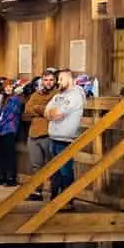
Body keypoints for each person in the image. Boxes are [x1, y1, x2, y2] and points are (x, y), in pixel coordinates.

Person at [44, 68, 86, 207]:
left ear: (69, 78)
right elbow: (47, 111)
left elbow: (57, 114)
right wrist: (52, 113)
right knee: (55, 170)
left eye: (61, 79)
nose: (58, 82)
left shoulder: (75, 95)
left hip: (66, 138)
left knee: (65, 170)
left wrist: (53, 113)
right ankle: (55, 197)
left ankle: (67, 199)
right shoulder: (58, 95)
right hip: (54, 136)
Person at [21, 67, 59, 199]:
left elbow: (54, 111)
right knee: (36, 165)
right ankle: (37, 192)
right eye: (45, 80)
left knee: (52, 166)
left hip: (49, 134)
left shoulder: (57, 94)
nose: (48, 82)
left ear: (55, 81)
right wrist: (42, 110)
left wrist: (37, 109)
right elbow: (27, 110)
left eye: (51, 80)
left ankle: (55, 193)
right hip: (33, 134)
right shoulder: (36, 94)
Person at [0, 77, 25, 186]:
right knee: (1, 154)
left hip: (9, 129)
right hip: (0, 130)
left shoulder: (15, 99)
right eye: (6, 87)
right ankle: (3, 176)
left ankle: (11, 178)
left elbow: (10, 115)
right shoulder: (3, 99)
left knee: (9, 155)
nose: (8, 89)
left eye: (10, 86)